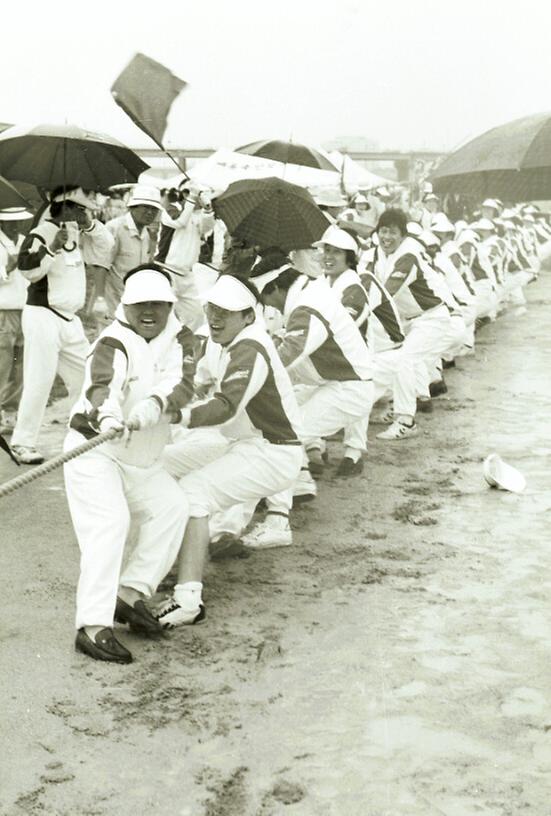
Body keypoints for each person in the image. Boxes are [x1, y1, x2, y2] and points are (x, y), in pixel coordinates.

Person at [63, 264, 193, 663]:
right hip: (96, 452)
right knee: (111, 523)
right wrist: (111, 418)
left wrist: (155, 405)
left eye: (159, 304)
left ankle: (129, 594)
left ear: (171, 305)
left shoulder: (181, 336)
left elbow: (182, 381)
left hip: (141, 457)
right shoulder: (112, 340)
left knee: (173, 507)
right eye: (141, 305)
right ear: (125, 305)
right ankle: (93, 626)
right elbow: (102, 386)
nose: (150, 312)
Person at [157, 274, 303, 625]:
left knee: (194, 493)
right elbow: (198, 382)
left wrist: (175, 416)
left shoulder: (250, 348)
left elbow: (225, 407)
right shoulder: (227, 342)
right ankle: (158, 564)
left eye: (227, 312)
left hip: (274, 452)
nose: (216, 317)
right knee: (159, 465)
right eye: (212, 309)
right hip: (244, 443)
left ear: (249, 317)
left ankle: (188, 599)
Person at [10, 187, 114, 464]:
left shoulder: (79, 233)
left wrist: (90, 225)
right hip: (43, 315)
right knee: (39, 380)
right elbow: (27, 270)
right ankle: (22, 442)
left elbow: (106, 247)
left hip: (70, 319)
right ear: (65, 208)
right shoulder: (41, 232)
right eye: (79, 209)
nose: (84, 214)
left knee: (90, 374)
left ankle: (84, 427)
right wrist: (52, 248)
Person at [156, 181, 215, 330]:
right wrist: (192, 198)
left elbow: (207, 229)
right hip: (167, 270)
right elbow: (179, 222)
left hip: (188, 275)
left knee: (197, 317)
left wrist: (208, 209)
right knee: (163, 316)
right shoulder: (171, 209)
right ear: (185, 194)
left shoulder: (197, 215)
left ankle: (188, 351)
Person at [100, 184, 162, 318]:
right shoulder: (114, 228)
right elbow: (101, 267)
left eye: (154, 209)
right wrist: (100, 300)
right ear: (132, 207)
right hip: (113, 301)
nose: (150, 212)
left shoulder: (147, 233)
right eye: (145, 207)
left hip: (135, 301)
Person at [0, 207, 33, 434]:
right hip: (4, 311)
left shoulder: (26, 241)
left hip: (27, 309)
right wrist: (8, 267)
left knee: (21, 364)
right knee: (2, 364)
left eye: (18, 222)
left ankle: (10, 413)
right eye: (9, 222)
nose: (14, 226)